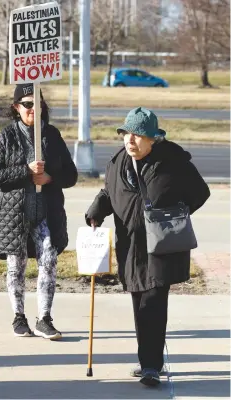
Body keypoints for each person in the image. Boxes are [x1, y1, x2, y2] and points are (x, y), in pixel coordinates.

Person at [85, 107, 210, 387]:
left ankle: (152, 365)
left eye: (138, 135)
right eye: (125, 133)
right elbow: (109, 192)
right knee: (139, 300)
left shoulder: (173, 162)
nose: (130, 139)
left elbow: (200, 192)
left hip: (160, 245)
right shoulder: (117, 163)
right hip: (130, 244)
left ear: (153, 138)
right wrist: (97, 209)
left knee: (153, 300)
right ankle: (147, 361)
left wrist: (176, 215)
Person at [0, 83, 78, 340]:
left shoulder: (52, 135)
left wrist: (49, 178)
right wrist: (25, 170)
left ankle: (44, 318)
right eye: (27, 104)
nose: (32, 109)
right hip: (14, 214)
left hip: (45, 211)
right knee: (16, 265)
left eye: (37, 104)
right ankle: (19, 317)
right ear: (17, 108)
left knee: (49, 259)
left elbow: (71, 175)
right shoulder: (7, 136)